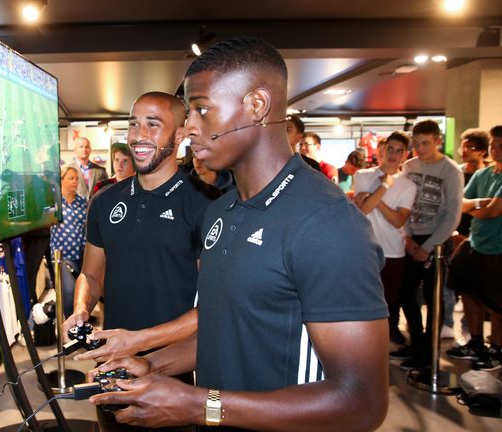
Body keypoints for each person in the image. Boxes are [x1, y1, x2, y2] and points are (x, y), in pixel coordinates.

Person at [90, 37, 389, 431]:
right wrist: (151, 364)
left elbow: (361, 402)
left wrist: (199, 405)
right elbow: (224, 333)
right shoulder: (220, 211)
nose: (189, 129)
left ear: (257, 106)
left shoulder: (326, 223)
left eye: (201, 110)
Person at [63, 91, 218, 431]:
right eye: (133, 124)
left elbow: (214, 307)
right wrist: (81, 307)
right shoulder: (104, 201)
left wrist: (139, 341)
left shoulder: (204, 205)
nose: (138, 135)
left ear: (179, 136)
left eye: (153, 124)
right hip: (114, 368)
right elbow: (91, 273)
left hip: (179, 374)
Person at [389, 120, 463, 370]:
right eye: (416, 143)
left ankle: (429, 351)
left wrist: (429, 246)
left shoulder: (451, 171)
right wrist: (408, 237)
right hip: (411, 237)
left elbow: (453, 214)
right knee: (405, 293)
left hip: (438, 240)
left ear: (437, 141)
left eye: (425, 143)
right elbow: (403, 204)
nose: (420, 148)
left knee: (434, 297)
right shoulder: (409, 166)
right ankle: (418, 343)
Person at [447, 125, 502, 371]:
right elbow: (461, 203)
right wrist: (481, 204)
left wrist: (478, 208)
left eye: (501, 145)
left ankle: (497, 349)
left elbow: (493, 212)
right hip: (475, 242)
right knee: (468, 291)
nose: (496, 150)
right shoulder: (482, 175)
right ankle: (476, 342)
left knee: (497, 301)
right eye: (493, 145)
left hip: (498, 248)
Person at [353, 132, 416, 345]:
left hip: (393, 251)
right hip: (364, 249)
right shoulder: (363, 175)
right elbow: (362, 212)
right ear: (383, 149)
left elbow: (398, 220)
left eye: (399, 151)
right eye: (391, 149)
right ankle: (364, 345)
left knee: (388, 303)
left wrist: (375, 197)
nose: (394, 154)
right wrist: (383, 188)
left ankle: (382, 347)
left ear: (405, 155)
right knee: (363, 299)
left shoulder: (408, 185)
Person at [49, 166, 88, 316]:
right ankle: (70, 326)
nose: (75, 181)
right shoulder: (54, 203)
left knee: (81, 293)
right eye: (71, 178)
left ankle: (79, 323)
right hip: (62, 257)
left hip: (81, 256)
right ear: (62, 180)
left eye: (77, 178)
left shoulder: (82, 202)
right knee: (69, 292)